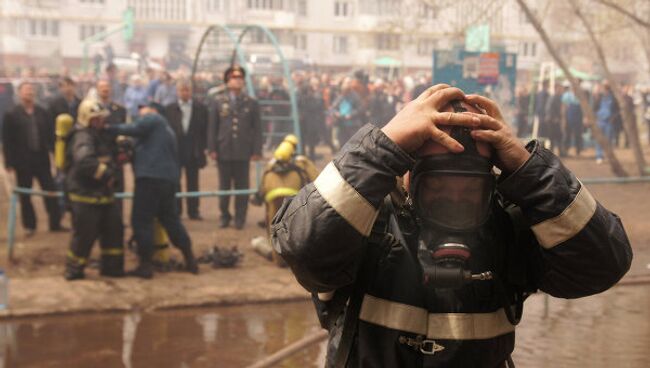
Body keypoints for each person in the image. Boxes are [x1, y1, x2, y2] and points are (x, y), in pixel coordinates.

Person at [271, 84, 632, 367]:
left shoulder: (507, 228)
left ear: (492, 184)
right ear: (408, 174)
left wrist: (529, 170)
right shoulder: (364, 220)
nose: (455, 205)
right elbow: (302, 246)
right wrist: (382, 145)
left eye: (469, 191)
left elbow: (603, 264)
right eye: (439, 188)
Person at [107, 103, 198, 279]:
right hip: (167, 180)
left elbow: (135, 128)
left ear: (154, 112)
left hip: (150, 179)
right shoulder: (161, 133)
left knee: (141, 221)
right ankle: (190, 259)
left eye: (144, 113)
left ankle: (145, 265)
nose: (141, 116)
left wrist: (108, 128)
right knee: (170, 220)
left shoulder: (155, 120)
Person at [63, 100, 124, 280]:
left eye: (102, 118)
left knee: (114, 231)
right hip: (85, 196)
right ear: (87, 119)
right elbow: (84, 162)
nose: (101, 121)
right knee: (85, 235)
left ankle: (112, 267)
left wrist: (122, 151)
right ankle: (74, 269)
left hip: (103, 195)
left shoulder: (100, 134)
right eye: (97, 119)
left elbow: (110, 154)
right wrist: (108, 175)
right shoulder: (82, 137)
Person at [2, 82, 64, 236]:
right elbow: (7, 141)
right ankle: (30, 226)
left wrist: (57, 155)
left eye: (31, 90)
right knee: (25, 194)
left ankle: (55, 223)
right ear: (19, 93)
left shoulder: (43, 112)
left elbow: (51, 136)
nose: (29, 93)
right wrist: (9, 162)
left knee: (50, 190)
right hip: (22, 162)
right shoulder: (11, 114)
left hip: (42, 159)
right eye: (26, 90)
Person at [208, 65, 263, 230]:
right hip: (224, 150)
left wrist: (256, 151)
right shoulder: (218, 101)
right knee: (224, 187)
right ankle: (224, 216)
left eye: (240, 78)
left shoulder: (252, 103)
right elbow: (212, 127)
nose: (238, 81)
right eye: (234, 78)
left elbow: (257, 129)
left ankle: (240, 218)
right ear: (227, 81)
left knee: (242, 187)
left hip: (243, 151)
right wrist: (212, 148)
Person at [164, 78, 208, 220]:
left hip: (193, 150)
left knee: (193, 182)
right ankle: (176, 210)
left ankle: (193, 211)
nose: (184, 92)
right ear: (177, 92)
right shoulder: (169, 109)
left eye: (187, 89)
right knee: (175, 182)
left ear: (191, 91)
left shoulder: (200, 108)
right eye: (182, 90)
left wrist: (204, 148)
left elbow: (205, 130)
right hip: (175, 150)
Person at [297, 77, 326, 160]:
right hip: (310, 121)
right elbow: (317, 107)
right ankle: (311, 156)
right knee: (310, 140)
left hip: (303, 120)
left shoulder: (300, 97)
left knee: (303, 140)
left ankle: (303, 155)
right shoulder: (312, 97)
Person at [593, 82, 619, 164]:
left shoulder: (613, 98)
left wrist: (613, 118)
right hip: (600, 121)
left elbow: (617, 110)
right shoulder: (599, 98)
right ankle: (599, 155)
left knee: (609, 139)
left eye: (606, 89)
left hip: (609, 122)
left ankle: (609, 156)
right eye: (604, 89)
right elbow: (595, 108)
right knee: (599, 140)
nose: (605, 91)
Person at [561, 81, 584, 156]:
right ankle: (566, 150)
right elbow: (563, 107)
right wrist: (564, 119)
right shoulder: (566, 95)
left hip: (578, 119)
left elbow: (584, 108)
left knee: (578, 135)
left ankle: (578, 150)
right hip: (569, 118)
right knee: (568, 135)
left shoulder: (581, 96)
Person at [544, 83, 565, 156]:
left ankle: (560, 152)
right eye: (560, 89)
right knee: (553, 137)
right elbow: (549, 109)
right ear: (556, 89)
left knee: (558, 137)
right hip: (552, 121)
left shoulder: (558, 97)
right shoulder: (553, 97)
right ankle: (552, 153)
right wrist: (554, 118)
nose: (561, 90)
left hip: (555, 120)